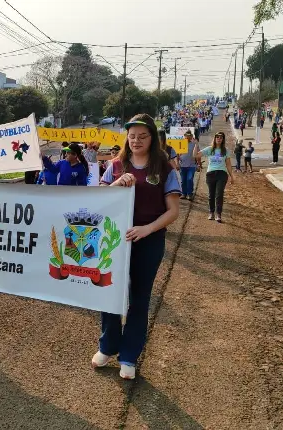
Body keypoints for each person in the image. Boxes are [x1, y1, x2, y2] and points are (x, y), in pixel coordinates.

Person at [93, 113, 181, 379]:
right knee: (109, 291)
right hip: (114, 241)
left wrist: (148, 229)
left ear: (152, 138)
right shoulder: (116, 165)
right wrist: (118, 183)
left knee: (139, 299)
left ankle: (129, 356)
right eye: (132, 136)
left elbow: (173, 211)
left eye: (142, 136)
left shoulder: (164, 169)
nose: (136, 141)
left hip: (148, 240)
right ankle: (108, 346)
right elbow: (99, 195)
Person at [195, 131, 235, 222]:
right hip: (211, 174)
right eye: (217, 137)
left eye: (221, 137)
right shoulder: (210, 149)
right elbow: (196, 155)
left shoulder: (225, 150)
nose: (219, 139)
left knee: (219, 194)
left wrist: (232, 176)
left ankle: (218, 214)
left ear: (223, 139)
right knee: (211, 195)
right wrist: (196, 144)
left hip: (222, 174)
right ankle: (211, 212)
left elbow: (228, 164)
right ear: (215, 138)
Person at [178, 130, 200, 200]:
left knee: (189, 179)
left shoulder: (194, 144)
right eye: (186, 136)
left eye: (189, 136)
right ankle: (184, 194)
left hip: (192, 165)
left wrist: (199, 165)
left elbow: (198, 155)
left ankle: (190, 194)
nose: (187, 137)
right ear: (184, 136)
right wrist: (177, 163)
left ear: (191, 137)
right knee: (183, 180)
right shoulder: (180, 143)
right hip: (182, 165)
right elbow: (177, 154)